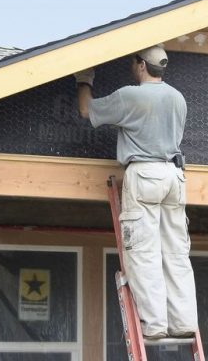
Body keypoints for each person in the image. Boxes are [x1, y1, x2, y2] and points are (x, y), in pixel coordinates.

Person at [75, 45, 198, 340]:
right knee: (176, 252)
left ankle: (154, 324)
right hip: (174, 176)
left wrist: (84, 79)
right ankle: (184, 321)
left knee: (143, 251)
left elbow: (85, 110)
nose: (132, 66)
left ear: (142, 65)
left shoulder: (130, 96)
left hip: (144, 174)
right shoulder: (178, 98)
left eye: (134, 62)